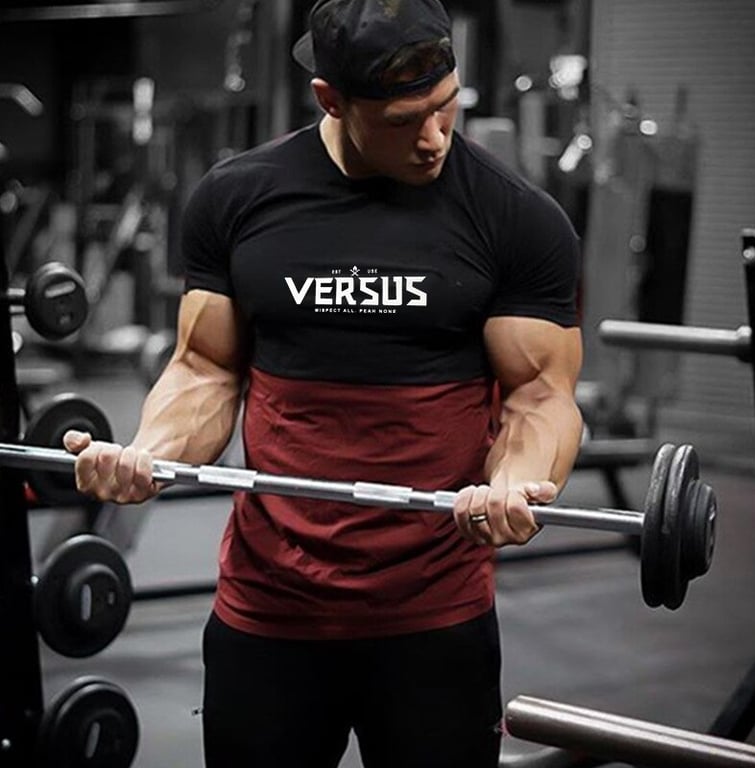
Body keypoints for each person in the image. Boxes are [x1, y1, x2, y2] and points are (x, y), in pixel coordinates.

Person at [64, 0, 584, 765]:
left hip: (433, 615)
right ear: (330, 100)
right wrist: (150, 452)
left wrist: (516, 484)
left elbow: (540, 395)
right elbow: (206, 368)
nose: (435, 138)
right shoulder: (237, 197)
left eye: (447, 105)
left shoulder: (516, 217)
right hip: (268, 609)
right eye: (405, 120)